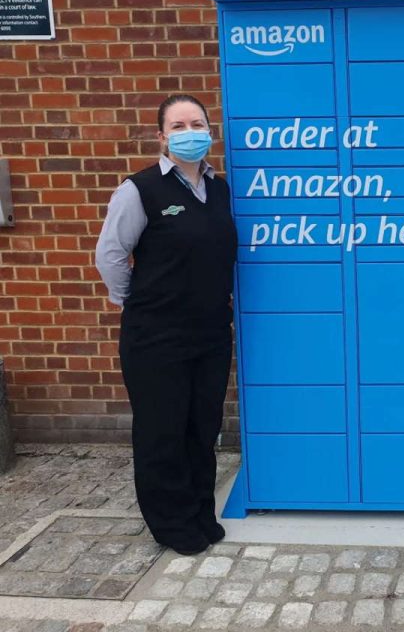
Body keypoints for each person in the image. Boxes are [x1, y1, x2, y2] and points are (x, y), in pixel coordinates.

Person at [96, 94, 238, 555]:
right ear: (162, 137)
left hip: (211, 334)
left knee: (201, 427)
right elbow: (111, 256)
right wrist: (135, 302)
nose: (189, 131)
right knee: (162, 431)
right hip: (156, 337)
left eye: (196, 122)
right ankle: (170, 524)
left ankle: (199, 511)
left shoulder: (219, 189)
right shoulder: (138, 190)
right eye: (178, 126)